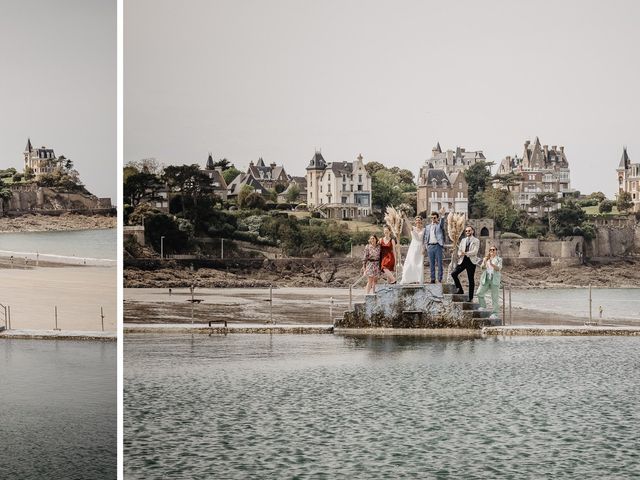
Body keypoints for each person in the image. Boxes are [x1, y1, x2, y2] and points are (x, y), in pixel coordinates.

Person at [452, 225, 480, 301]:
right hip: (462, 260)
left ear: (472, 231)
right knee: (453, 274)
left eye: (469, 231)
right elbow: (459, 250)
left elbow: (475, 251)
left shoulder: (476, 240)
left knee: (471, 279)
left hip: (471, 261)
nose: (468, 232)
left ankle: (470, 297)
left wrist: (466, 253)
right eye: (466, 231)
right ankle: (460, 289)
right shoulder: (463, 240)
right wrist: (459, 254)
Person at [476, 245, 503, 320]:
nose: (492, 251)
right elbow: (482, 268)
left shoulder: (499, 259)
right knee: (479, 293)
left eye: (493, 250)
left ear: (496, 251)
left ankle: (495, 314)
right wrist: (484, 262)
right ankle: (483, 306)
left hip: (494, 279)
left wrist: (492, 264)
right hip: (486, 278)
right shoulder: (486, 258)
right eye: (490, 250)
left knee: (495, 297)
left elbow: (499, 268)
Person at [423, 208, 446, 283]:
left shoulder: (439, 225)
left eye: (434, 217)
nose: (433, 219)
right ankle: (432, 279)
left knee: (439, 263)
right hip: (430, 246)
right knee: (431, 264)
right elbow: (426, 237)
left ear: (437, 218)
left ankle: (439, 279)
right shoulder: (427, 227)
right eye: (432, 217)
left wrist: (442, 215)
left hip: (438, 246)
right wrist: (426, 246)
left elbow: (442, 223)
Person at [400, 216, 425, 284]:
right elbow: (409, 225)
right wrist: (405, 217)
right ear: (415, 221)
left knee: (419, 264)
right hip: (413, 247)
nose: (418, 221)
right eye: (416, 220)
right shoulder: (413, 228)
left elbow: (425, 240)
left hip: (420, 247)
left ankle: (418, 279)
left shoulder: (424, 230)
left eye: (419, 220)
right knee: (411, 262)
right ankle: (410, 279)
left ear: (421, 221)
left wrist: (424, 248)